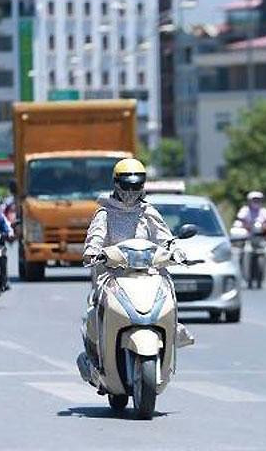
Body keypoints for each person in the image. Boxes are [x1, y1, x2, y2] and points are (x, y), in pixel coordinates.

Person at [80, 159, 193, 377]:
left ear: (143, 185)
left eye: (136, 186)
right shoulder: (105, 212)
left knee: (167, 294)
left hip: (147, 273)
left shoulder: (148, 212)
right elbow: (95, 237)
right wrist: (94, 252)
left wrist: (175, 251)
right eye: (126, 185)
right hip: (113, 274)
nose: (131, 191)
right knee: (95, 314)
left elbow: (164, 238)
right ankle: (97, 358)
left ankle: (171, 333)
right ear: (116, 184)